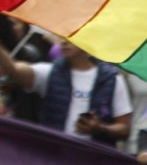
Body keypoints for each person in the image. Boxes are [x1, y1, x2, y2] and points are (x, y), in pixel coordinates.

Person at [0, 39, 132, 146]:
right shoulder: (49, 72)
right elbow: (13, 70)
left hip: (94, 162)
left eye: (72, 37)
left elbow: (124, 129)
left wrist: (99, 128)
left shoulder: (112, 79)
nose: (64, 42)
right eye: (63, 37)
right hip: (57, 160)